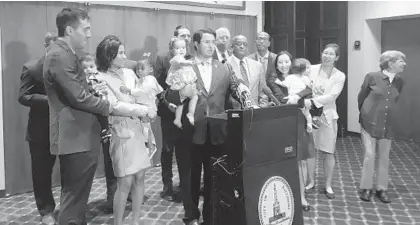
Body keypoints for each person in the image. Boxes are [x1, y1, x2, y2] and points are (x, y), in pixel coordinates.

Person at [43, 8, 151, 225]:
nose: (89, 34)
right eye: (86, 29)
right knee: (74, 202)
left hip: (80, 135)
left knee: (77, 201)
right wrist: (109, 105)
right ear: (70, 30)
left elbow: (79, 93)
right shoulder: (59, 55)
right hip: (75, 137)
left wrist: (96, 91)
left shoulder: (66, 54)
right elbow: (79, 98)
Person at [165, 28, 248, 225]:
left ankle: (211, 217)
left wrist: (245, 95)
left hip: (217, 133)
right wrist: (182, 94)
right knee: (190, 179)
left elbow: (233, 92)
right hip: (191, 132)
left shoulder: (224, 67)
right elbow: (168, 96)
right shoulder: (185, 66)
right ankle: (191, 217)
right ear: (196, 44)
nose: (211, 45)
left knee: (214, 180)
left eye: (213, 42)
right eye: (206, 42)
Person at [95, 35, 156, 225]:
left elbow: (141, 95)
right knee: (125, 182)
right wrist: (142, 109)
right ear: (109, 56)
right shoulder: (100, 77)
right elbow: (112, 106)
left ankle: (136, 221)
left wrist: (149, 109)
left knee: (140, 177)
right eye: (120, 52)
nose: (124, 56)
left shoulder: (130, 74)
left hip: (139, 130)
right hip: (121, 134)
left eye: (123, 51)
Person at [266, 51, 314, 211]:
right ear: (276, 65)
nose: (284, 65)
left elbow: (310, 89)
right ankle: (284, 194)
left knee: (300, 159)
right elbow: (282, 99)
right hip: (282, 122)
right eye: (280, 62)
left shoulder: (299, 76)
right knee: (284, 159)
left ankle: (301, 197)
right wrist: (302, 99)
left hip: (299, 120)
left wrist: (299, 96)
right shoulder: (273, 80)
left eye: (287, 62)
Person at [17, 31, 57, 225]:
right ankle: (46, 210)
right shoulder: (31, 68)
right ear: (45, 45)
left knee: (70, 170)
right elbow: (22, 96)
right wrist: (49, 101)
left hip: (67, 129)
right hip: (40, 131)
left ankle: (71, 206)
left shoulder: (69, 68)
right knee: (41, 174)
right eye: (53, 46)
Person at [357, 50, 406, 203]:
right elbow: (362, 96)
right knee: (370, 155)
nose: (404, 64)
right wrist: (365, 112)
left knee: (384, 157)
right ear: (390, 63)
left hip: (387, 124)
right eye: (401, 61)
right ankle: (366, 187)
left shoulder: (399, 81)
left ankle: (381, 188)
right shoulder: (372, 76)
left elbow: (394, 100)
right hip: (369, 122)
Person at [303, 43, 346, 200]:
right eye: (325, 53)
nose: (327, 56)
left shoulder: (339, 75)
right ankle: (311, 181)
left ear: (337, 58)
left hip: (327, 116)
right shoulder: (311, 69)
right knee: (310, 150)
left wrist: (312, 101)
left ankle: (328, 185)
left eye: (331, 54)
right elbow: (304, 85)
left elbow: (332, 96)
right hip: (309, 115)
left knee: (328, 151)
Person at [154, 25, 191, 202]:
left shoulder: (190, 59)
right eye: (183, 36)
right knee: (168, 150)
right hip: (168, 111)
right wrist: (167, 103)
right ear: (174, 39)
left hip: (186, 112)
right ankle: (167, 188)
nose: (186, 39)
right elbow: (156, 85)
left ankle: (185, 185)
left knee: (186, 150)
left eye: (188, 36)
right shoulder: (162, 58)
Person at [120, 56, 164, 159]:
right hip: (143, 107)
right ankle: (149, 145)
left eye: (142, 68)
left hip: (148, 107)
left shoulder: (150, 79)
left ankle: (150, 145)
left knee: (145, 127)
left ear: (151, 69)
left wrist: (129, 90)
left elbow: (143, 91)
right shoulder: (140, 80)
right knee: (145, 127)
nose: (139, 71)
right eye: (137, 69)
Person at [274, 58, 318, 132]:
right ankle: (309, 123)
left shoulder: (290, 77)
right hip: (303, 99)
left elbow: (284, 84)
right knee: (306, 113)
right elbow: (310, 86)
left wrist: (277, 81)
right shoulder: (305, 78)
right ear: (303, 70)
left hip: (292, 99)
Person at [226, 35, 269, 108]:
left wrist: (263, 107)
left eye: (245, 44)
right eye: (239, 44)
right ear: (232, 46)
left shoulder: (257, 65)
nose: (242, 46)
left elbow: (262, 91)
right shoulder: (225, 65)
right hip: (235, 112)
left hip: (255, 111)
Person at [165, 37, 198, 128]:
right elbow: (182, 63)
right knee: (184, 98)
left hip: (184, 84)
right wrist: (192, 62)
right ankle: (187, 115)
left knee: (191, 98)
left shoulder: (184, 59)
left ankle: (181, 118)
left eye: (183, 48)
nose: (181, 50)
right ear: (172, 50)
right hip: (178, 84)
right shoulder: (176, 59)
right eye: (177, 48)